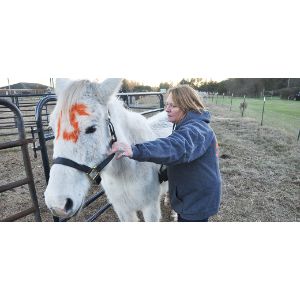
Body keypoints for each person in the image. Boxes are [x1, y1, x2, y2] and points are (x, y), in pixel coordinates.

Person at [109, 85, 222, 222]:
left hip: (196, 199)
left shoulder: (197, 129)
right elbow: (181, 156)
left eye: (173, 106)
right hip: (190, 192)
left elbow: (175, 146)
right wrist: (163, 173)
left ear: (186, 106)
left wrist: (135, 150)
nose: (167, 109)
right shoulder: (186, 124)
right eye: (167, 104)